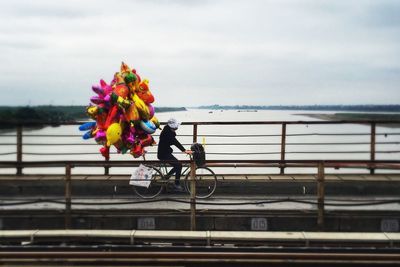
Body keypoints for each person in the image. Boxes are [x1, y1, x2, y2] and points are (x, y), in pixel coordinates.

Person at [157, 118, 192, 191]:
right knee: (179, 165)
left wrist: (184, 150)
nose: (177, 128)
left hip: (165, 152)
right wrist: (184, 150)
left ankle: (166, 177)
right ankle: (176, 184)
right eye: (176, 127)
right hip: (163, 154)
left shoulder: (167, 130)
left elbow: (174, 141)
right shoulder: (167, 133)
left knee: (177, 165)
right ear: (172, 127)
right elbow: (175, 142)